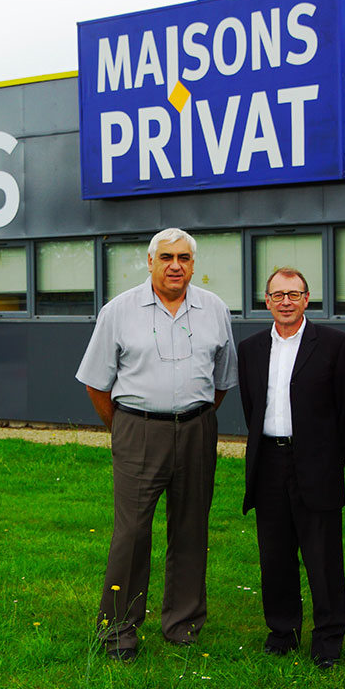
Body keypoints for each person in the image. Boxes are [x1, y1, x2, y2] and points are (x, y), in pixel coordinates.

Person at [75, 227, 237, 662]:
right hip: (138, 430)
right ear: (149, 262)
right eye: (166, 257)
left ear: (193, 264)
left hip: (198, 429)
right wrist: (128, 425)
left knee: (190, 529)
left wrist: (191, 412)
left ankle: (183, 623)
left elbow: (221, 381)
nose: (175, 266)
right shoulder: (119, 311)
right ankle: (119, 631)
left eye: (184, 258)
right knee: (131, 534)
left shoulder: (215, 310)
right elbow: (96, 383)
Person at [237, 268, 345, 668]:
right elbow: (253, 407)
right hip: (268, 461)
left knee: (322, 556)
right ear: (266, 301)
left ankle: (328, 639)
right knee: (275, 554)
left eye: (294, 294)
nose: (285, 301)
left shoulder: (335, 345)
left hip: (317, 462)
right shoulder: (251, 348)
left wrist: (330, 457)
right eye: (277, 295)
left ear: (307, 299)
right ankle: (282, 631)